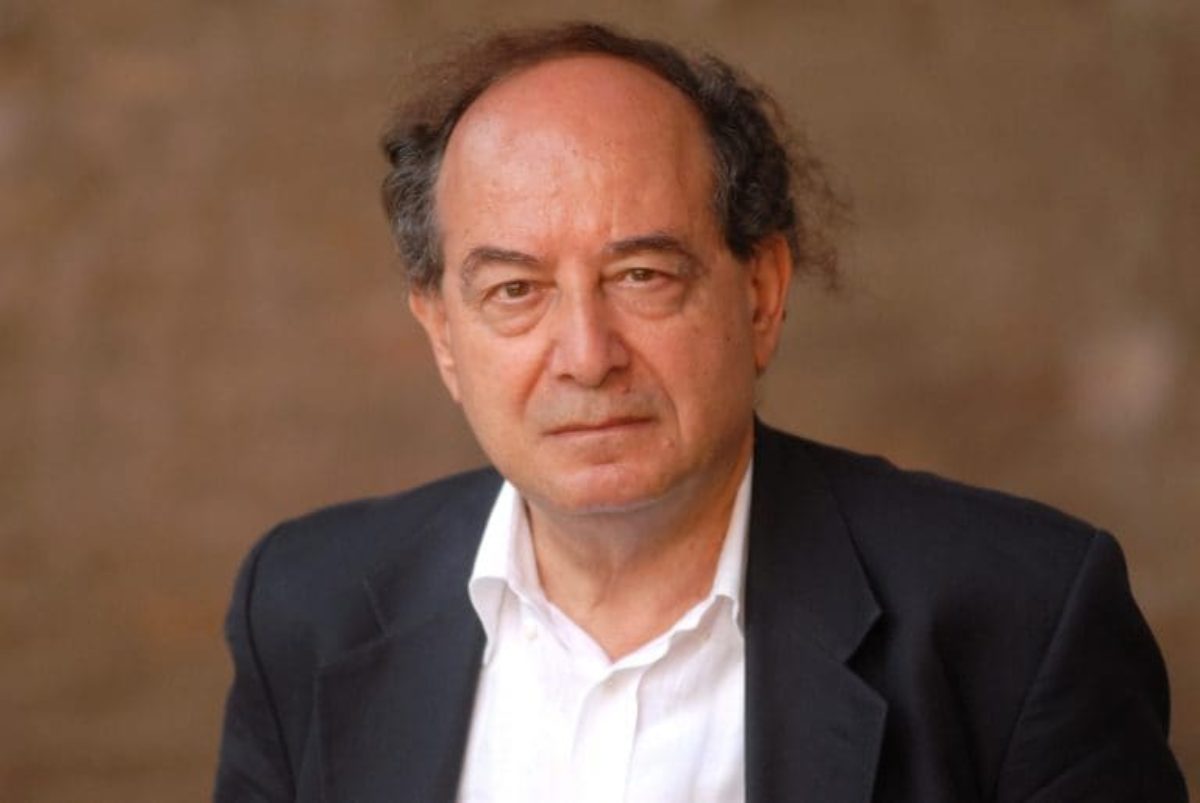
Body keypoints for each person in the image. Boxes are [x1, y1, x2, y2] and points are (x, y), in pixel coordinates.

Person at [214, 22, 1186, 803]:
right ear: (441, 334)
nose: (587, 354)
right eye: (515, 291)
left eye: (643, 274)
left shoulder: (1021, 619)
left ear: (760, 293)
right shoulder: (304, 609)